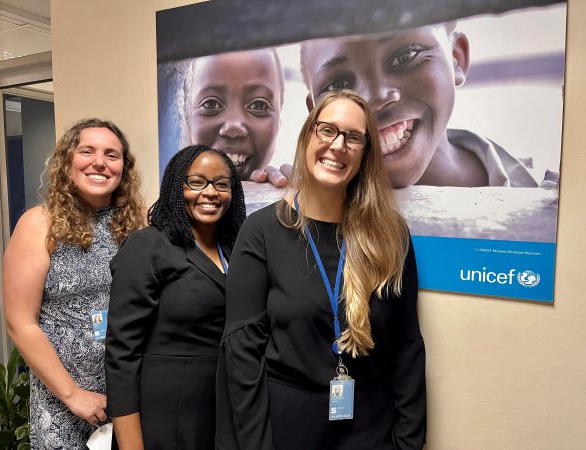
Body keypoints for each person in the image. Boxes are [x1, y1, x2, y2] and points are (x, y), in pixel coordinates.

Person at [217, 91, 426, 449]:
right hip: (286, 430)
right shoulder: (262, 232)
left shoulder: (390, 235)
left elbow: (407, 348)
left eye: (353, 137)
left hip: (371, 431)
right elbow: (242, 355)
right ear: (307, 137)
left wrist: (408, 442)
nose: (338, 145)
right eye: (326, 130)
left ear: (365, 153)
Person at [3, 118, 145, 449]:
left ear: (124, 167)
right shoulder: (39, 224)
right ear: (67, 162)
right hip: (63, 402)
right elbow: (20, 323)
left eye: (112, 155)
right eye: (87, 151)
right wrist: (73, 395)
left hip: (129, 394)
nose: (100, 162)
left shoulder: (139, 221)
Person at [264, 22, 540, 189]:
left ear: (456, 58)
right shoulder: (320, 203)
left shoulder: (549, 195)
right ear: (316, 114)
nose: (375, 98)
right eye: (337, 86)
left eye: (406, 55)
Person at [106, 145, 246, 449]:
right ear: (175, 186)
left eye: (221, 184)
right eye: (196, 182)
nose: (210, 192)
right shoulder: (147, 247)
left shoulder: (237, 250)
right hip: (165, 420)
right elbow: (121, 356)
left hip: (221, 412)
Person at [178, 48, 287, 186]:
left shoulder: (289, 198)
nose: (234, 127)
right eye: (211, 104)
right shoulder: (170, 199)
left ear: (279, 124)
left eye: (258, 105)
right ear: (186, 119)